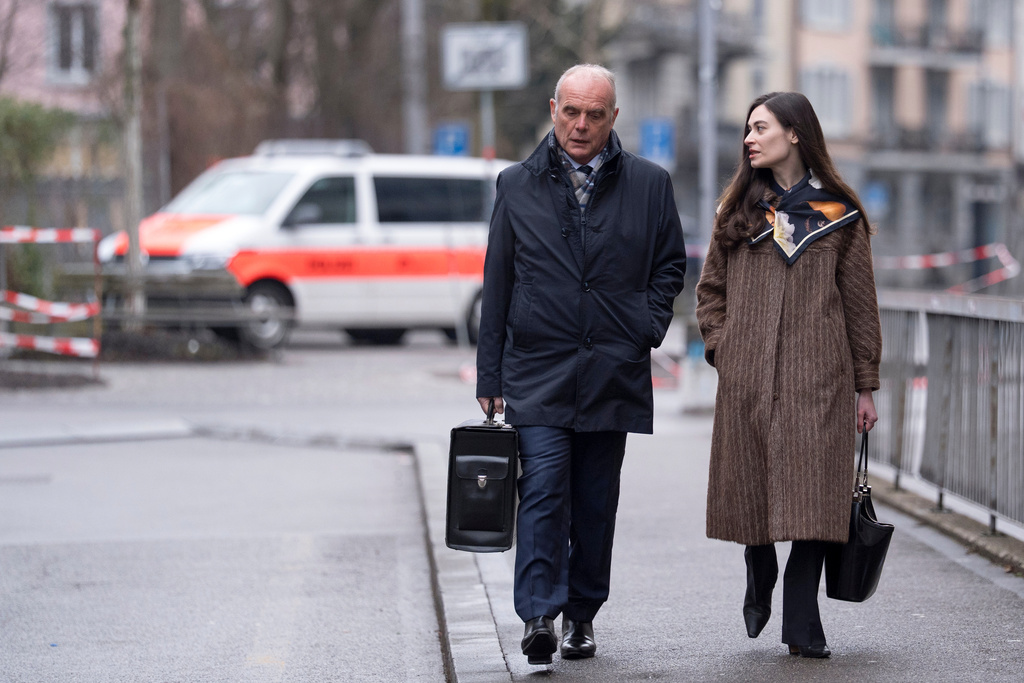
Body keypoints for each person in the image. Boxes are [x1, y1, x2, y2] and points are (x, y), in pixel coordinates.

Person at [475, 64, 687, 666]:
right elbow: (499, 279)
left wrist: (645, 326)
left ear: (614, 117)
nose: (582, 125)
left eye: (595, 114)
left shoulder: (650, 184)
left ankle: (583, 617)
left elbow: (670, 265)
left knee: (596, 499)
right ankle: (539, 613)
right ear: (553, 109)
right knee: (542, 488)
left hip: (612, 368)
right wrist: (490, 376)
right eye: (572, 111)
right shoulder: (516, 184)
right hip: (537, 368)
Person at [695, 91, 882, 659]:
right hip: (747, 377)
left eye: (760, 128)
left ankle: (802, 617)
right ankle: (758, 566)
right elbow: (709, 295)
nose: (749, 138)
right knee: (751, 489)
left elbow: (858, 304)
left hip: (818, 378)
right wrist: (726, 349)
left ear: (795, 134)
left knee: (815, 498)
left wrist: (865, 384)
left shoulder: (839, 214)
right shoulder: (737, 213)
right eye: (747, 130)